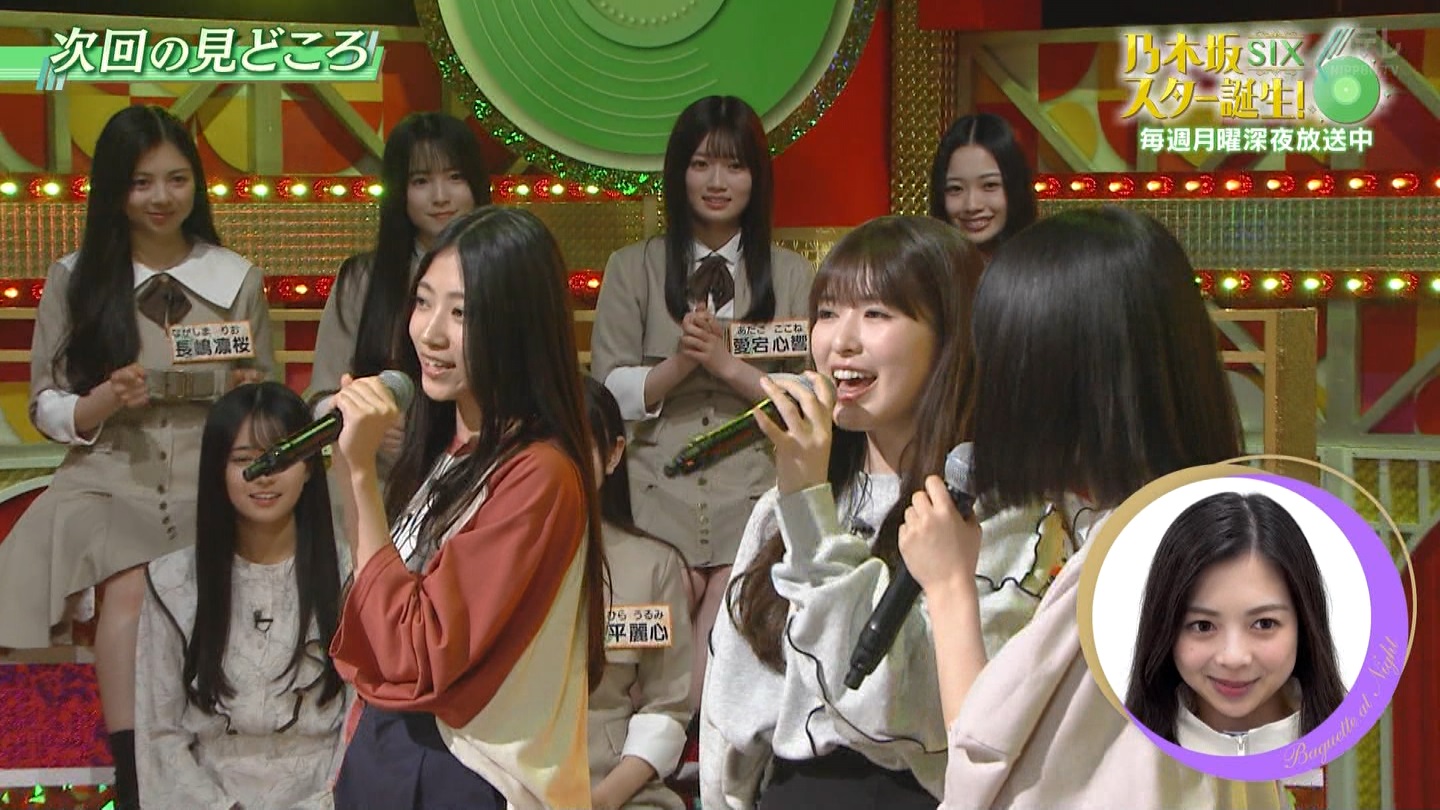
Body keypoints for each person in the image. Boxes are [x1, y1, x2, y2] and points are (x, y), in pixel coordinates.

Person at [895, 206, 1287, 808]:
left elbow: (991, 763)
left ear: (1052, 382)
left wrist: (948, 586)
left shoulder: (1128, 561)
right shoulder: (1218, 525)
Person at [701, 216, 1048, 809]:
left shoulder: (992, 515)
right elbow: (729, 709)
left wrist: (809, 512)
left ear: (951, 336)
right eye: (828, 312)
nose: (841, 342)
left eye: (877, 314)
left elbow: (904, 708)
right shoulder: (784, 503)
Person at [0, 104, 274, 810]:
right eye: (141, 182)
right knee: (130, 588)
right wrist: (100, 401)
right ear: (114, 190)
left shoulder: (234, 277)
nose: (161, 197)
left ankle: (219, 765)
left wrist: (250, 397)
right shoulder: (75, 278)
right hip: (112, 471)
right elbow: (45, 405)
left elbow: (268, 402)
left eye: (177, 179)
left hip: (210, 472)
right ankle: (134, 773)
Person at [325, 206, 606, 810]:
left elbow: (418, 648)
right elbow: (377, 605)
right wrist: (352, 467)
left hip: (465, 770)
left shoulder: (539, 473)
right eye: (423, 302)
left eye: (462, 313)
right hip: (396, 750)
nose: (429, 333)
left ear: (520, 325)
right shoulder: (451, 449)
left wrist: (360, 472)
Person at [590, 95, 815, 714]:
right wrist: (679, 366)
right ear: (678, 173)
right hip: (654, 496)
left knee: (706, 676)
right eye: (701, 164)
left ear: (756, 178)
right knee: (639, 660)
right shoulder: (631, 268)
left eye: (735, 166)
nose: (718, 182)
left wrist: (727, 365)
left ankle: (677, 756)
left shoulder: (792, 276)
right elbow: (607, 390)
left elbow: (810, 397)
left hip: (753, 497)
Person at [135, 382, 347, 809]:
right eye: (243, 459)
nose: (264, 473)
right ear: (218, 470)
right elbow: (160, 734)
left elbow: (363, 724)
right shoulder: (172, 583)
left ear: (309, 467)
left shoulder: (351, 577)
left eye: (282, 456)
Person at [306, 111, 490, 474]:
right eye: (421, 181)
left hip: (485, 474)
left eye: (455, 177)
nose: (440, 197)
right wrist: (364, 418)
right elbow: (320, 399)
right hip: (381, 482)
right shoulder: (362, 279)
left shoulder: (509, 274)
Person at [1125, 491, 1347, 756]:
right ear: (1164, 629)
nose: (1233, 658)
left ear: (1304, 624)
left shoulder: (1357, 749)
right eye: (1203, 626)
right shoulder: (1124, 756)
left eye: (1264, 624)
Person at [583, 377, 694, 810]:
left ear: (613, 454)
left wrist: (603, 799)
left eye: (578, 448)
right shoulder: (493, 558)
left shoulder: (652, 565)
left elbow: (667, 704)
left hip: (613, 786)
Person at [927, 113, 1036, 254]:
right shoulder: (924, 266)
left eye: (989, 185)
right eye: (956, 188)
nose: (972, 206)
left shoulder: (1044, 264)